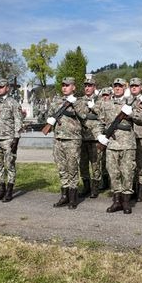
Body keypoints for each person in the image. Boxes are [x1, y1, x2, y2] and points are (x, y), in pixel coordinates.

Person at [96, 78, 142, 214]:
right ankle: (116, 201)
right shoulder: (106, 104)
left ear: (125, 87)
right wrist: (99, 135)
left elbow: (141, 120)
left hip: (128, 144)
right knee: (113, 172)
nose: (117, 88)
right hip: (111, 144)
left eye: (120, 86)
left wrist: (131, 114)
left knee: (128, 173)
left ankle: (126, 202)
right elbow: (100, 122)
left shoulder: (132, 103)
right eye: (115, 86)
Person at [50, 77, 89, 209]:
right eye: (63, 85)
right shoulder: (56, 101)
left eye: (67, 85)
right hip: (58, 139)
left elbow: (84, 116)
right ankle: (64, 196)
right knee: (62, 169)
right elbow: (50, 116)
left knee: (72, 168)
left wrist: (74, 104)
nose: (64, 87)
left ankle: (73, 198)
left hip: (72, 140)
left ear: (74, 87)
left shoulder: (79, 101)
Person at [78, 75, 104, 199]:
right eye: (86, 86)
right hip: (82, 137)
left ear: (94, 87)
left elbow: (104, 116)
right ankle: (86, 186)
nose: (87, 88)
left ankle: (95, 188)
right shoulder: (79, 100)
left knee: (95, 163)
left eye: (90, 86)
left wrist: (94, 107)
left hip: (95, 137)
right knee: (83, 164)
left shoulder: (100, 100)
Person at [128, 77, 142, 201]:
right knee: (131, 164)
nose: (134, 88)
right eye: (132, 86)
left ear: (141, 87)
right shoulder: (126, 100)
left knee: (141, 164)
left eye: (136, 86)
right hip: (129, 136)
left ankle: (141, 191)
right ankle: (131, 189)